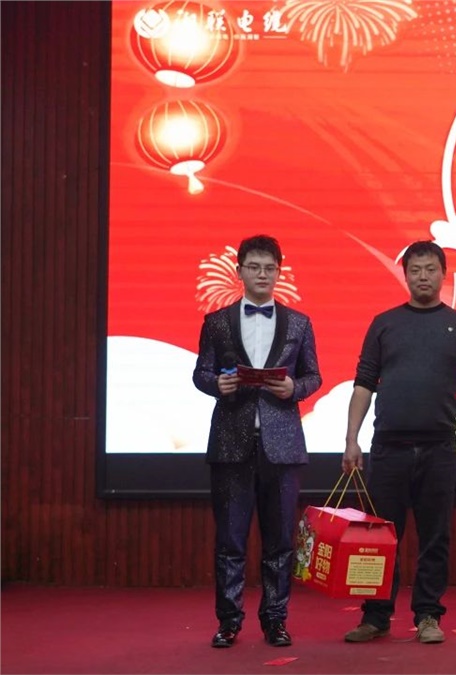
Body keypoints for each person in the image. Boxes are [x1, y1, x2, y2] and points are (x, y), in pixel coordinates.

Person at [341, 241, 456, 645]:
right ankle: (376, 616)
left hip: (439, 448)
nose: (423, 277)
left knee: (435, 537)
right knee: (379, 537)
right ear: (405, 275)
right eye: (415, 270)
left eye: (430, 269)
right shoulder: (384, 323)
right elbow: (364, 383)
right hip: (388, 447)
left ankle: (428, 615)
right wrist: (351, 440)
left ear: (443, 274)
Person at [191, 234, 322, 649]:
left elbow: (314, 376)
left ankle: (275, 621)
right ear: (240, 271)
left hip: (282, 446)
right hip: (231, 443)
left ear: (279, 272)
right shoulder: (217, 321)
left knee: (280, 541)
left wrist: (295, 388)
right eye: (254, 267)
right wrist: (218, 384)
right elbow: (201, 373)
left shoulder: (299, 323)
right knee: (230, 540)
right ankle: (228, 622)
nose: (262, 274)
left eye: (269, 268)